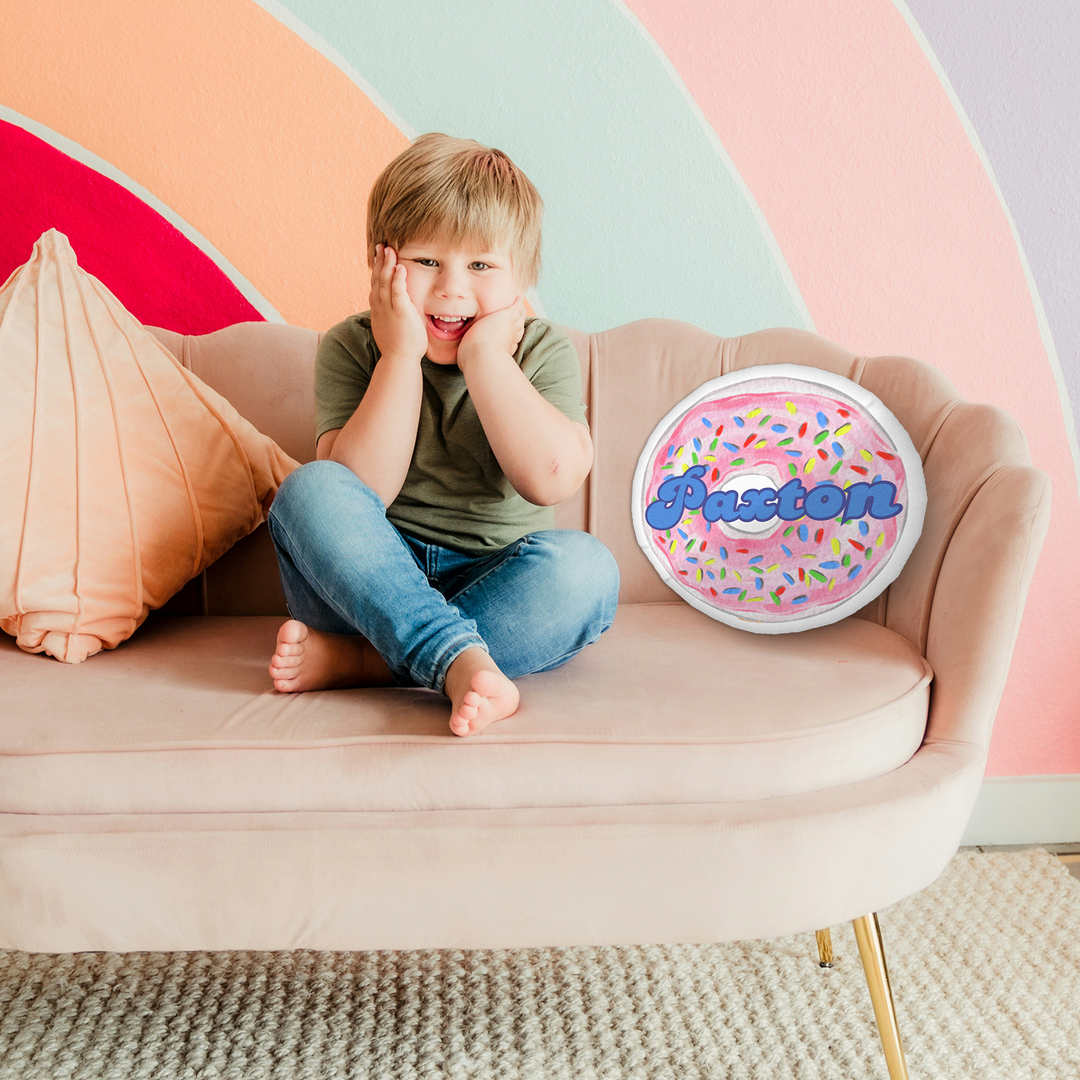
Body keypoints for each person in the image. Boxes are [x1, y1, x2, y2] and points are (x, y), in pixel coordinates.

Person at [266, 133, 620, 736]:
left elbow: (550, 480)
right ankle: (453, 656)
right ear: (383, 262)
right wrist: (400, 355)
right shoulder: (352, 346)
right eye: (427, 261)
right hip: (363, 589)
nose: (453, 288)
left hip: (495, 581)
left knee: (589, 571)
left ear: (522, 281)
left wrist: (487, 359)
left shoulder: (542, 351)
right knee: (310, 488)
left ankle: (371, 663)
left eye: (481, 266)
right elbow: (362, 488)